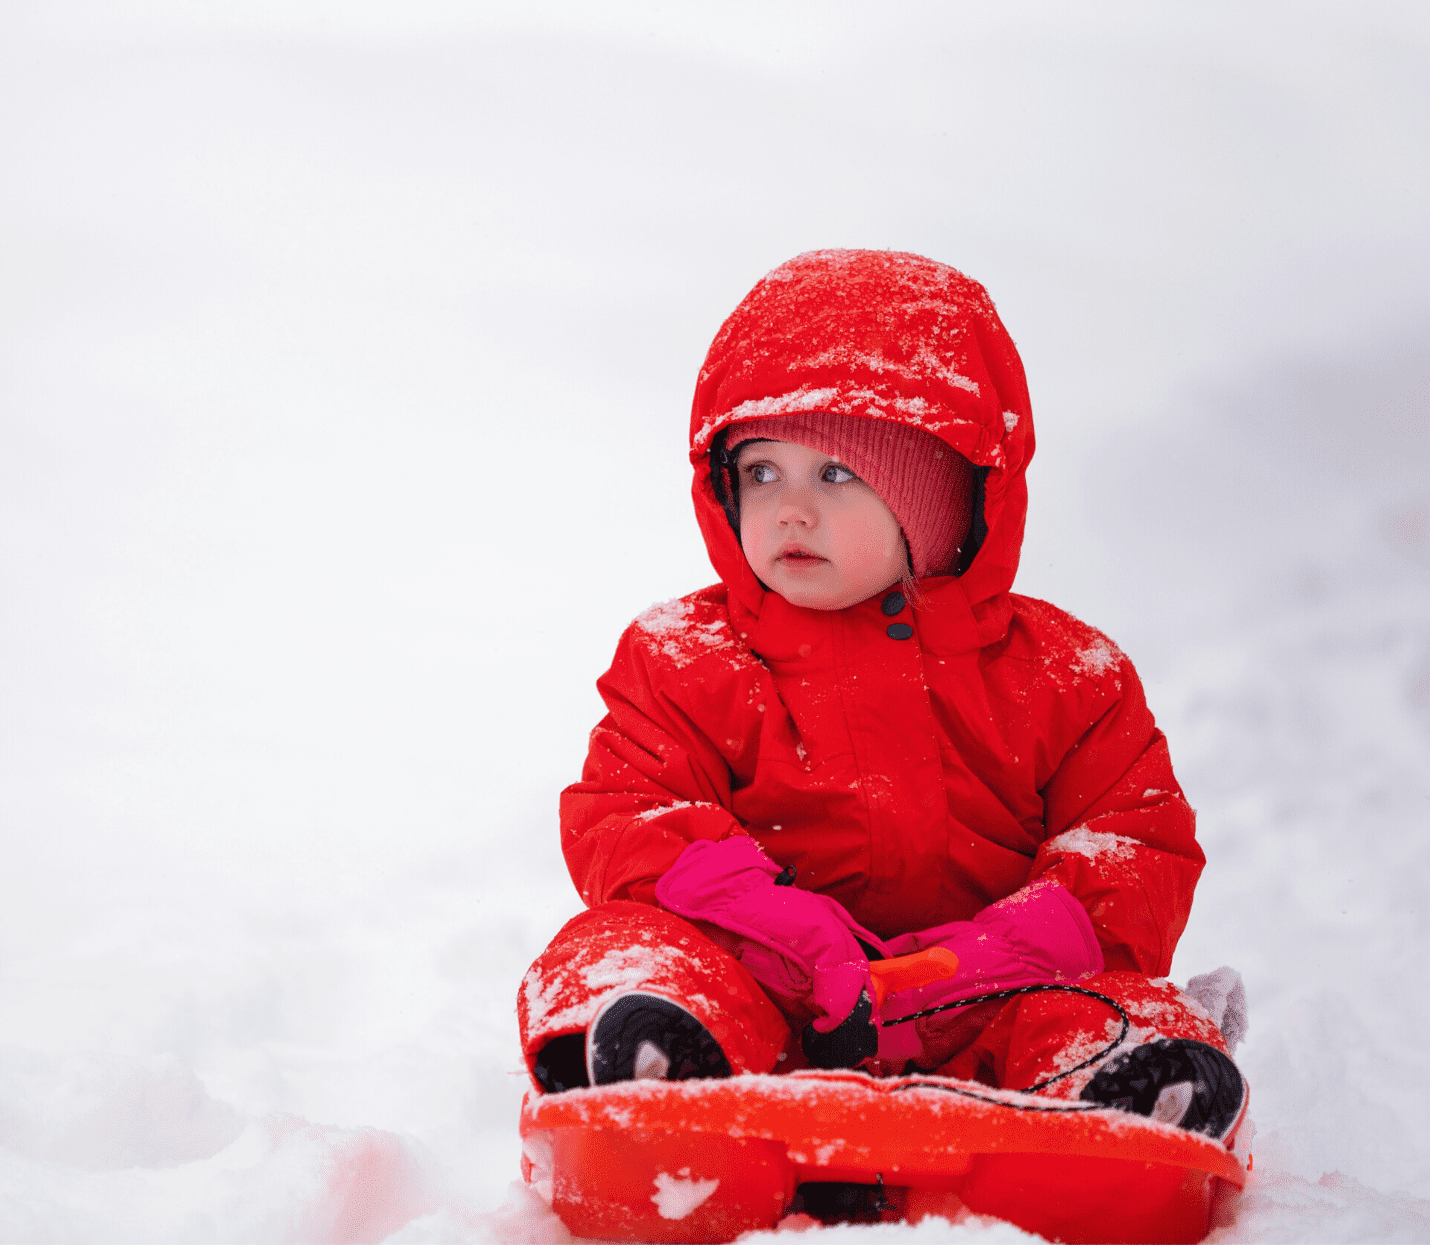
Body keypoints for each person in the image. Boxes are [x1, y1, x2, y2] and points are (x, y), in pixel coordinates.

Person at [517, 250, 1247, 1148]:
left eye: (836, 475)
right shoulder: (685, 657)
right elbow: (632, 816)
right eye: (761, 472)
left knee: (1109, 999)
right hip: (770, 989)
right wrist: (780, 928)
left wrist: (1002, 951)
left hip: (998, 995)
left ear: (944, 499)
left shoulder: (1066, 673)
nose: (789, 509)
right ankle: (658, 1065)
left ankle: (1117, 1089)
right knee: (618, 945)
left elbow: (1133, 843)